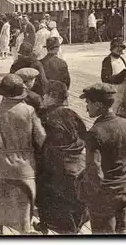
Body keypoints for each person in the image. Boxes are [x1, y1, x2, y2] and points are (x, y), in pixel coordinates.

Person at [76, 83, 126, 234]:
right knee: (123, 231)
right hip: (123, 191)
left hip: (103, 196)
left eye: (88, 103)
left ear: (98, 105)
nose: (86, 107)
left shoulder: (94, 133)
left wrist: (86, 193)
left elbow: (95, 172)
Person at [0, 74, 46, 234]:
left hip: (3, 164)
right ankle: (24, 233)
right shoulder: (29, 110)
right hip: (25, 165)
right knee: (24, 205)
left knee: (1, 201)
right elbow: (41, 138)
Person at [34, 80, 88, 234]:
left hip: (52, 167)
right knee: (73, 201)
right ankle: (72, 228)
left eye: (45, 94)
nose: (43, 97)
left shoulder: (43, 116)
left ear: (52, 95)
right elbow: (84, 136)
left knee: (48, 199)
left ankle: (49, 225)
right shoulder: (72, 114)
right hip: (75, 166)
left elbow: (37, 143)